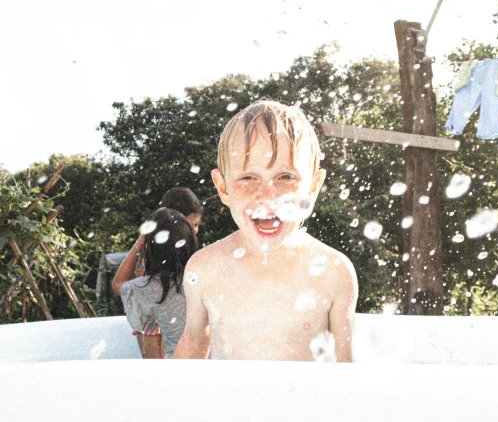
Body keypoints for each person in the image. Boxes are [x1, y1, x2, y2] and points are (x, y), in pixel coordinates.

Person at [174, 100, 358, 362]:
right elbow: (194, 341)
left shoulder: (334, 271)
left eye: (286, 177)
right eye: (248, 178)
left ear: (313, 187)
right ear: (223, 187)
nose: (268, 195)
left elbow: (345, 369)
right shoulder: (204, 268)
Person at [112, 207, 198, 358]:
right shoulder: (204, 277)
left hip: (179, 369)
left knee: (146, 322)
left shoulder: (147, 288)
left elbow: (118, 283)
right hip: (216, 366)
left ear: (150, 247)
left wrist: (141, 239)